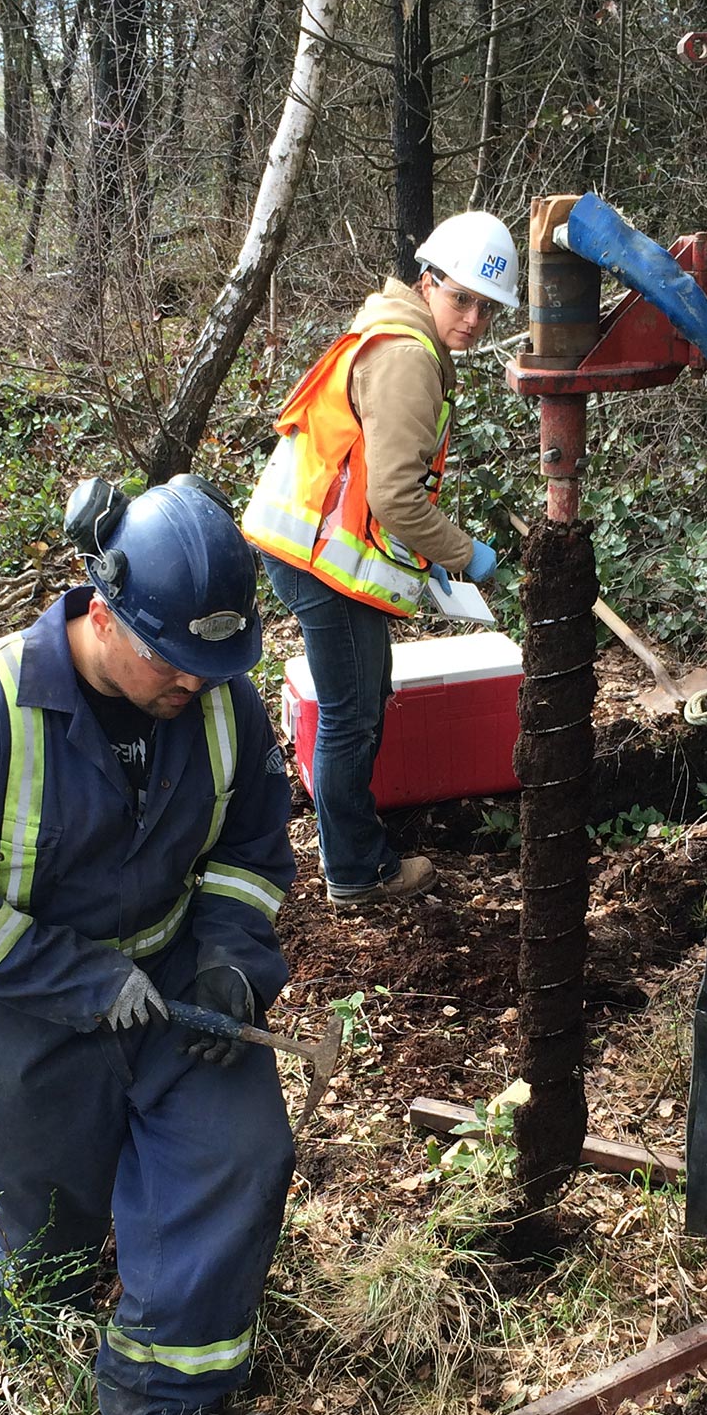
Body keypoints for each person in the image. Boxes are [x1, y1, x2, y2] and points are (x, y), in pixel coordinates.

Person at [0, 474, 297, 1415]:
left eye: (211, 664)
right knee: (49, 1207)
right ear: (103, 614)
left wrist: (234, 958)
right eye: (174, 663)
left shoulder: (223, 706)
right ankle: (26, 1362)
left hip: (175, 977)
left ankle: (154, 1413)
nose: (194, 686)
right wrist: (77, 981)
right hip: (16, 1007)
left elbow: (249, 848)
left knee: (234, 1153)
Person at [243, 210, 519, 907]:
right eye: (462, 299)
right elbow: (397, 497)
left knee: (361, 702)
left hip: (314, 551)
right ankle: (358, 873)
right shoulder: (407, 358)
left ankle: (353, 856)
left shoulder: (396, 334)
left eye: (487, 308)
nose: (474, 319)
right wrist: (466, 555)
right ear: (429, 284)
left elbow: (376, 485)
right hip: (318, 563)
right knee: (350, 715)